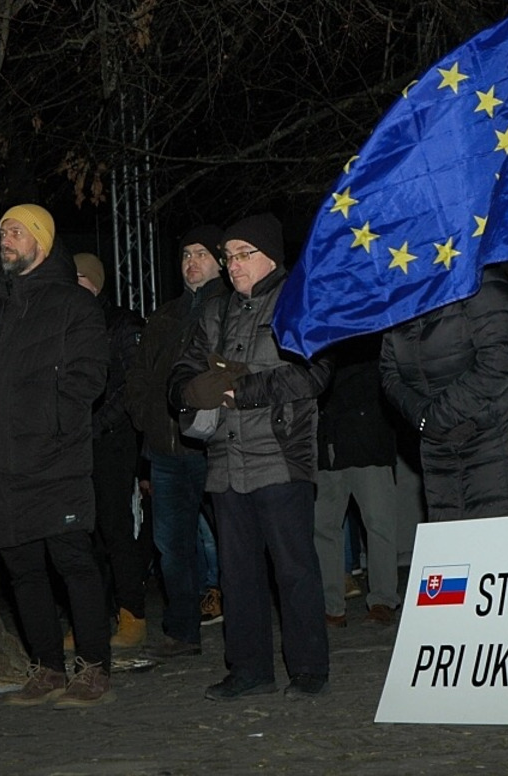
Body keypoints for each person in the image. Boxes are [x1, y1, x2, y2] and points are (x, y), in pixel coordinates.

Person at [0, 203, 113, 708]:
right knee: (21, 568)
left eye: (16, 231)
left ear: (41, 243)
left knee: (72, 561)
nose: (5, 239)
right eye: (2, 230)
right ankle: (47, 666)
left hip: (54, 459)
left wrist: (51, 423)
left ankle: (93, 667)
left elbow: (88, 376)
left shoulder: (73, 305)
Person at [169, 213, 332, 700]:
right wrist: (187, 391)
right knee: (237, 574)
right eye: (228, 256)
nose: (233, 264)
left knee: (294, 568)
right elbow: (182, 370)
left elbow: (314, 373)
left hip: (280, 455)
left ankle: (309, 668)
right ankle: (249, 669)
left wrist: (242, 390)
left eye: (243, 254)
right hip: (225, 462)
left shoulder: (298, 301)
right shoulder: (214, 311)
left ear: (271, 257)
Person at [125, 225, 227, 659]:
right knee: (172, 545)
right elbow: (140, 376)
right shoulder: (165, 316)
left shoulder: (229, 308)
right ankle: (183, 631)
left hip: (215, 447)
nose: (191, 262)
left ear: (220, 261)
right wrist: (146, 421)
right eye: (186, 254)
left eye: (201, 253)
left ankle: (245, 624)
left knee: (233, 538)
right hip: (167, 450)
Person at [384, 265, 508, 521]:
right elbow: (389, 372)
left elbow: (500, 359)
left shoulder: (479, 279)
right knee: (451, 541)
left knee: (501, 538)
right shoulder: (403, 292)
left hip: (496, 446)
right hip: (439, 453)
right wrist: (423, 418)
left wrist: (438, 417)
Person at [73, 252, 149, 651]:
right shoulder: (65, 325)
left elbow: (132, 386)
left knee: (116, 529)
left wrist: (96, 424)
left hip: (112, 442)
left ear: (95, 282)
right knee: (82, 535)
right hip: (75, 445)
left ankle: (132, 614)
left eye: (80, 278)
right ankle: (91, 620)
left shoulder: (122, 323)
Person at [313, 335, 404, 628]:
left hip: (368, 437)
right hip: (328, 440)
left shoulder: (373, 328)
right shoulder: (320, 332)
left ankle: (383, 600)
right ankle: (331, 605)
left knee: (379, 523)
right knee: (323, 526)